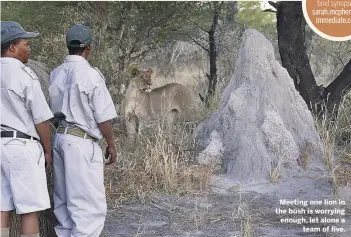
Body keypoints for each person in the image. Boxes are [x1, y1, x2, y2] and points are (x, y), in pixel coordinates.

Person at [49, 23, 117, 237]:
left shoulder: (56, 73)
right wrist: (111, 144)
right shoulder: (91, 75)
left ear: (67, 45)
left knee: (64, 202)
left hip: (60, 137)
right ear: (88, 48)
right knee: (88, 208)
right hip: (82, 142)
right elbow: (103, 117)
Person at [1, 21, 53, 237]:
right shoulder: (24, 74)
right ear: (12, 47)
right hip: (21, 145)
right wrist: (48, 150)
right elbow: (40, 117)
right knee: (30, 209)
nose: (29, 48)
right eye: (26, 44)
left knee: (2, 205)